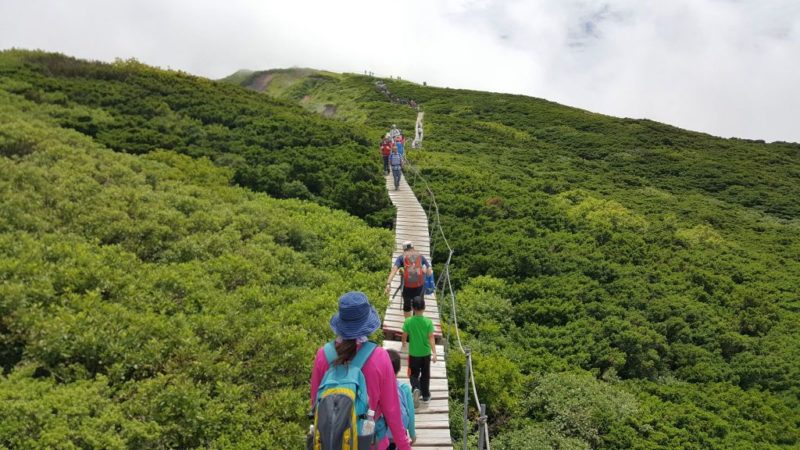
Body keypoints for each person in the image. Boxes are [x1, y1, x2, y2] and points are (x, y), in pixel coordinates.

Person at [310, 292, 411, 450]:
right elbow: (392, 410)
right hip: (369, 442)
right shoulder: (380, 357)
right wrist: (404, 446)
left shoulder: (323, 355)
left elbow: (315, 404)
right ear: (367, 325)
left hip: (330, 443)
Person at [402, 296, 437, 406]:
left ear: (412, 308)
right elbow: (431, 337)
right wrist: (434, 352)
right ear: (424, 308)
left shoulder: (408, 321)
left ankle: (416, 388)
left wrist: (403, 343)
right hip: (426, 353)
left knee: (413, 374)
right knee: (425, 374)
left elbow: (404, 334)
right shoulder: (428, 322)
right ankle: (426, 395)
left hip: (414, 354)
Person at [384, 241, 432, 318]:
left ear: (404, 249)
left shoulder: (401, 258)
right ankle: (416, 322)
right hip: (419, 286)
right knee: (418, 305)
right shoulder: (420, 256)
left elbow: (393, 270)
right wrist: (425, 272)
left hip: (407, 287)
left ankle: (407, 323)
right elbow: (429, 272)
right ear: (413, 247)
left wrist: (388, 284)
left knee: (407, 305)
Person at [384, 349, 416, 449]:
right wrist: (412, 434)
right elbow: (410, 413)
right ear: (398, 369)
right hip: (399, 436)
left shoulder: (376, 387)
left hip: (381, 435)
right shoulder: (404, 388)